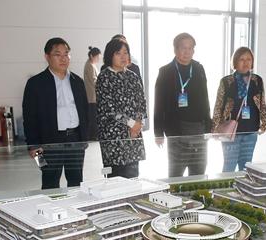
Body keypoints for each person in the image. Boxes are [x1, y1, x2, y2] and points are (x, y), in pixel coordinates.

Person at [22, 37, 89, 190]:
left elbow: (84, 111)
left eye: (66, 54)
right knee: (49, 182)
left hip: (75, 140)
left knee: (76, 181)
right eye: (57, 54)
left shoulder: (77, 81)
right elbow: (29, 118)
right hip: (49, 142)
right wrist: (33, 145)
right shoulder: (35, 84)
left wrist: (84, 138)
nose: (63, 58)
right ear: (47, 57)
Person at [154, 32, 211, 177]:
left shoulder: (199, 69)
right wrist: (158, 132)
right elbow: (159, 103)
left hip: (198, 128)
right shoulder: (165, 71)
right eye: (183, 48)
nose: (187, 52)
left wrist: (208, 126)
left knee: (198, 172)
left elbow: (205, 98)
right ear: (175, 49)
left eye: (190, 48)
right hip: (176, 130)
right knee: (176, 174)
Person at [212, 47, 266, 172]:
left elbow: (262, 103)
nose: (246, 62)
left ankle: (242, 185)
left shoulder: (257, 80)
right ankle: (227, 185)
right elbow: (218, 105)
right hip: (230, 131)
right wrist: (215, 127)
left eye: (249, 59)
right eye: (242, 59)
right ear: (235, 62)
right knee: (229, 166)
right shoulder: (226, 81)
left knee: (246, 166)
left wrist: (264, 122)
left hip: (251, 130)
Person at [96, 39, 147, 178]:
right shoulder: (104, 77)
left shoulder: (133, 76)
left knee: (133, 176)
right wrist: (132, 124)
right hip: (113, 137)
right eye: (118, 53)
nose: (123, 56)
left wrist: (138, 123)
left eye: (125, 52)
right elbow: (110, 109)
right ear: (110, 55)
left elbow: (141, 102)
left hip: (133, 135)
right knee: (116, 179)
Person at [84, 46, 101, 140]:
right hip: (92, 97)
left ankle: (93, 135)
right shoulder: (90, 65)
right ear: (91, 56)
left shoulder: (91, 64)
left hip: (93, 96)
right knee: (93, 117)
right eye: (97, 57)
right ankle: (93, 135)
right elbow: (94, 80)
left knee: (93, 117)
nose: (98, 59)